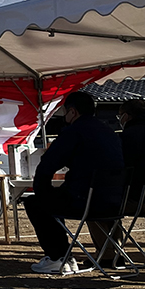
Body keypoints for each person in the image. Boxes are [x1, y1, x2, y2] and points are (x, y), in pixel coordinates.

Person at [24, 91, 124, 274]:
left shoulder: (75, 131)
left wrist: (42, 190)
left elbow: (48, 164)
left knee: (36, 203)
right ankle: (67, 257)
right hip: (117, 202)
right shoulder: (109, 131)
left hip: (86, 201)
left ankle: (59, 257)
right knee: (53, 198)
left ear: (73, 111)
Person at [88, 98, 145, 264]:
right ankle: (115, 250)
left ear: (125, 117)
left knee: (97, 206)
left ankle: (108, 254)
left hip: (135, 199)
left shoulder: (125, 138)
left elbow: (116, 168)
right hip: (139, 197)